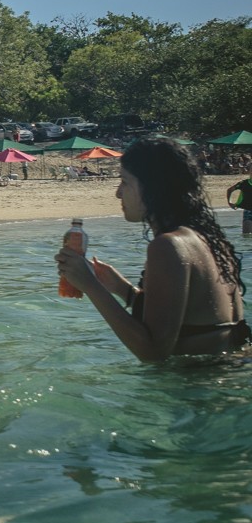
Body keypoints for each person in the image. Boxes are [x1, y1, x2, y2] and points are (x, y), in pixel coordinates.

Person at [56, 137, 248, 360]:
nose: (118, 193)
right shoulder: (205, 239)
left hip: (196, 388)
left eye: (125, 182)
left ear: (152, 187)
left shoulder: (168, 246)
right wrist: (122, 289)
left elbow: (153, 351)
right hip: (228, 378)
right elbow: (194, 321)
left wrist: (90, 286)